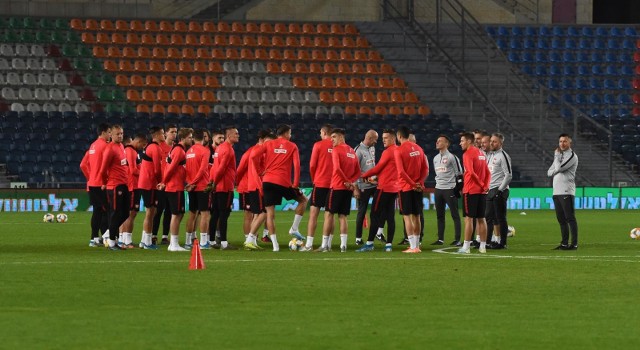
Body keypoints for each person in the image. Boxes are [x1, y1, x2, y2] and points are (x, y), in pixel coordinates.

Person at [251, 124, 308, 251]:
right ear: (287, 133)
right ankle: (294, 228)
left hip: (268, 181)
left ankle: (275, 246)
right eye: (290, 133)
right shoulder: (292, 146)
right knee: (303, 200)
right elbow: (297, 166)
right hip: (284, 182)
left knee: (270, 214)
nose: (291, 136)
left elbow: (253, 156)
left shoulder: (268, 144)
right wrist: (296, 184)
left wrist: (260, 170)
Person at [316, 128, 361, 252]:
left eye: (334, 137)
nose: (332, 140)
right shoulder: (352, 151)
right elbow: (358, 171)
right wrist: (351, 183)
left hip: (336, 187)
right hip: (347, 190)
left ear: (341, 137)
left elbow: (336, 169)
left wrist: (346, 181)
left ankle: (325, 245)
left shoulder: (336, 150)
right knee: (343, 217)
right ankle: (343, 245)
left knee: (329, 215)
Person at [356, 129, 399, 252]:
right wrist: (374, 177)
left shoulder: (388, 152)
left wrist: (364, 176)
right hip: (394, 188)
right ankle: (389, 245)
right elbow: (387, 170)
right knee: (390, 216)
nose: (383, 140)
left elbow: (378, 168)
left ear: (392, 139)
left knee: (374, 214)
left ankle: (369, 243)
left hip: (384, 188)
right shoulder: (398, 151)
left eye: (385, 138)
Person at [157, 128, 194, 251]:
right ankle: (173, 244)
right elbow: (171, 168)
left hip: (176, 186)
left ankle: (174, 243)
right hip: (174, 187)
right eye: (189, 137)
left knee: (179, 213)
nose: (191, 139)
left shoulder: (178, 149)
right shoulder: (179, 151)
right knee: (176, 214)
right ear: (183, 139)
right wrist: (164, 182)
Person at [394, 126, 428, 253]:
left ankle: (413, 246)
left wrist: (413, 184)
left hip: (406, 187)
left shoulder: (399, 150)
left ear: (399, 136)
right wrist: (419, 183)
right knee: (417, 216)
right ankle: (417, 245)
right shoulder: (419, 149)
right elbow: (425, 169)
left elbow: (401, 172)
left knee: (407, 217)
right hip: (418, 188)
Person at [300, 124, 334, 252]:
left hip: (320, 183)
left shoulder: (318, 145)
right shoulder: (337, 146)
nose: (320, 134)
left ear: (325, 133)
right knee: (330, 215)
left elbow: (312, 165)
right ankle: (327, 245)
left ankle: (309, 245)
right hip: (333, 185)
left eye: (321, 132)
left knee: (313, 214)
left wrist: (315, 179)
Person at [457, 132, 491, 254]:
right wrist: (485, 186)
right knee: (481, 219)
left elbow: (470, 172)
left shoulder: (467, 154)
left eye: (462, 141)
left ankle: (466, 247)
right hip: (482, 192)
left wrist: (481, 185)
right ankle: (483, 247)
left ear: (469, 141)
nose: (460, 143)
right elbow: (488, 172)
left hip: (471, 190)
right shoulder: (481, 153)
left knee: (469, 219)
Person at [97, 125, 130, 250]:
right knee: (115, 213)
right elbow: (102, 169)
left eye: (121, 133)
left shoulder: (121, 146)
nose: (120, 136)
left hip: (124, 183)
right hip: (115, 185)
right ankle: (111, 241)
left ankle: (109, 234)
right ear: (111, 135)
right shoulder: (109, 149)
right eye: (117, 134)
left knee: (126, 213)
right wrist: (104, 183)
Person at [243, 130, 276, 250]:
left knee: (258, 213)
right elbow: (255, 170)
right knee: (264, 212)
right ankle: (250, 239)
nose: (271, 145)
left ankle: (251, 241)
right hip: (257, 186)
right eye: (269, 142)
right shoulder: (258, 151)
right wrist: (260, 184)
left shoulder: (258, 150)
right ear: (263, 140)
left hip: (254, 185)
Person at [79, 123, 110, 247]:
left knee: (97, 211)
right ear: (102, 132)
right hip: (102, 184)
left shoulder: (92, 146)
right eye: (108, 132)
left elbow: (82, 165)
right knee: (108, 210)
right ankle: (107, 236)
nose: (109, 135)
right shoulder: (106, 146)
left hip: (92, 183)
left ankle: (94, 238)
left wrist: (90, 177)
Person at [209, 126, 240, 250]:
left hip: (217, 186)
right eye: (236, 133)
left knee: (215, 214)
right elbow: (221, 168)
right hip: (225, 186)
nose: (238, 135)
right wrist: (215, 182)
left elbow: (214, 167)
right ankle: (224, 243)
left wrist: (212, 182)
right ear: (229, 136)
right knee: (223, 214)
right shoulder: (228, 149)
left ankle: (211, 242)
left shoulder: (219, 148)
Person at [547, 133, 579, 250]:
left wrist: (556, 157)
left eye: (565, 141)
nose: (562, 143)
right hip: (556, 192)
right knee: (561, 219)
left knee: (570, 218)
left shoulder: (572, 156)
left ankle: (574, 244)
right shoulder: (559, 157)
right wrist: (557, 166)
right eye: (560, 141)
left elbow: (558, 168)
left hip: (566, 191)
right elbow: (549, 172)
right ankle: (564, 243)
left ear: (570, 143)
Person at [431, 135, 463, 246]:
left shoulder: (452, 157)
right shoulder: (435, 158)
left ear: (446, 144)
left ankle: (457, 239)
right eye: (437, 141)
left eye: (440, 141)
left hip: (449, 189)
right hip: (438, 189)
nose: (437, 142)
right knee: (440, 215)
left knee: (455, 215)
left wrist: (458, 188)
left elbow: (459, 173)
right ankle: (440, 239)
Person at [137, 126, 165, 249]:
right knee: (150, 212)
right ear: (157, 135)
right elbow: (157, 169)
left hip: (144, 183)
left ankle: (144, 240)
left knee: (150, 212)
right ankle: (147, 242)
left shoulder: (149, 147)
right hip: (150, 184)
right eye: (162, 133)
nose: (164, 136)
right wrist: (161, 182)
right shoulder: (155, 148)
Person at [185, 129, 212, 249]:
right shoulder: (205, 151)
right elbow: (202, 170)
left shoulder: (188, 151)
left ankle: (187, 241)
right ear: (203, 138)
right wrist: (194, 182)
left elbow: (186, 170)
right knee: (205, 214)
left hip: (192, 187)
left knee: (192, 213)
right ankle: (203, 242)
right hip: (202, 186)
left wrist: (189, 183)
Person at [354, 129, 382, 245]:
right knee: (362, 211)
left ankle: (378, 233)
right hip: (363, 186)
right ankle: (358, 238)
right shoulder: (358, 151)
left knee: (378, 209)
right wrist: (355, 188)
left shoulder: (372, 148)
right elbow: (354, 171)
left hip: (374, 185)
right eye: (375, 139)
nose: (376, 142)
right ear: (370, 138)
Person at [119, 132, 147, 248]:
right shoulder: (130, 151)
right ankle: (126, 240)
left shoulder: (132, 151)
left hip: (134, 185)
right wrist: (146, 173)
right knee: (131, 214)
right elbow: (133, 170)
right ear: (139, 141)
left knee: (131, 213)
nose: (143, 148)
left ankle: (123, 239)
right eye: (143, 145)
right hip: (132, 186)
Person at [485, 133, 512, 249]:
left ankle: (503, 243)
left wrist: (500, 190)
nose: (491, 143)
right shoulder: (490, 155)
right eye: (491, 141)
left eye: (494, 141)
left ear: (501, 143)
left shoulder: (503, 156)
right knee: (488, 217)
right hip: (490, 189)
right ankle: (488, 241)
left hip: (499, 189)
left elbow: (509, 175)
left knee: (500, 217)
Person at [152, 124, 177, 245]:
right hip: (161, 184)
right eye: (172, 132)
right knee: (158, 211)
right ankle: (153, 235)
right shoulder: (159, 146)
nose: (174, 134)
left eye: (175, 132)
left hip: (171, 184)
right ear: (166, 133)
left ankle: (164, 236)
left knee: (169, 211)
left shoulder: (176, 148)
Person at [208, 129, 225, 243]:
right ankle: (208, 237)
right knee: (210, 212)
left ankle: (217, 234)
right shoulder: (208, 151)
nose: (222, 140)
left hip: (219, 184)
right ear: (213, 138)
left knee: (218, 212)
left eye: (223, 138)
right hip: (210, 184)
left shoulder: (222, 150)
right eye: (219, 138)